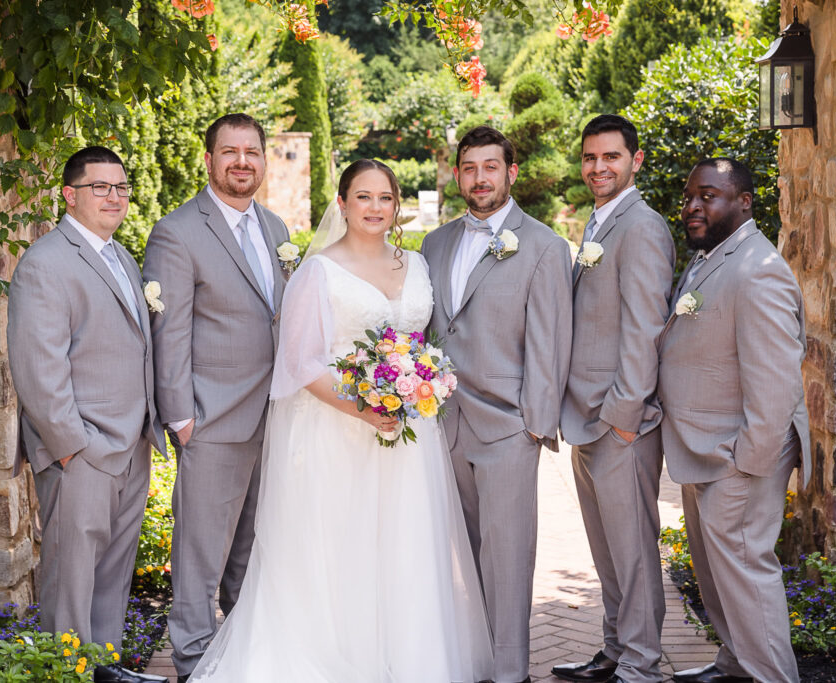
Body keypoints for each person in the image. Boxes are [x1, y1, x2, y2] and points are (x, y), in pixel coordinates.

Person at [188, 159, 493, 682]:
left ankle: (405, 659)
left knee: (404, 548)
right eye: (364, 197)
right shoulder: (318, 272)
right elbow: (300, 364)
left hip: (406, 438)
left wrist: (421, 384)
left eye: (385, 199)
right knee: (343, 548)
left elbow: (419, 346)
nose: (375, 208)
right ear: (342, 204)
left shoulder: (415, 265)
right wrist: (368, 409)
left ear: (397, 207)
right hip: (337, 432)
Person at [7, 146, 168, 683]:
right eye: (100, 187)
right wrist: (73, 446)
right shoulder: (46, 263)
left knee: (112, 573)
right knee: (71, 577)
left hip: (131, 444)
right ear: (70, 195)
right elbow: (37, 369)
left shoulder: (121, 257)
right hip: (83, 450)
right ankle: (65, 673)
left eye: (121, 187)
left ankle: (104, 669)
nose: (114, 197)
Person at [421, 125, 573, 683]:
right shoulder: (435, 243)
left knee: (507, 561)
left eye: (491, 167)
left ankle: (509, 672)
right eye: (469, 167)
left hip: (508, 427)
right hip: (444, 423)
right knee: (460, 555)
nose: (479, 178)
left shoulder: (544, 246)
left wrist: (534, 425)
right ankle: (473, 660)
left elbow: (550, 342)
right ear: (457, 174)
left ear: (511, 173)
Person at [142, 114, 290, 682]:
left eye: (251, 151)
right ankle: (194, 662)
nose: (242, 162)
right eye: (230, 152)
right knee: (200, 556)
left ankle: (239, 654)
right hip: (209, 419)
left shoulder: (276, 229)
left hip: (271, 418)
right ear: (209, 160)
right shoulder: (178, 231)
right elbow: (170, 330)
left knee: (250, 552)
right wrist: (181, 416)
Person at [659, 158, 810, 683]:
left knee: (746, 572)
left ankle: (772, 675)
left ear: (744, 202)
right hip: (704, 446)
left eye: (709, 196)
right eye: (689, 197)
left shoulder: (758, 270)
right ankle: (736, 664)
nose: (694, 207)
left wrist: (746, 463)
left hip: (737, 456)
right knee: (715, 570)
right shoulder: (712, 257)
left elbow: (775, 385)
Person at [552, 115, 675, 683]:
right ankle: (614, 649)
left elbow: (645, 328)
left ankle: (643, 664)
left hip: (618, 423)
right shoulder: (599, 226)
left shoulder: (642, 227)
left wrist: (623, 420)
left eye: (611, 158)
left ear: (636, 160)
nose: (599, 168)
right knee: (605, 552)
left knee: (632, 553)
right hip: (587, 418)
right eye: (590, 158)